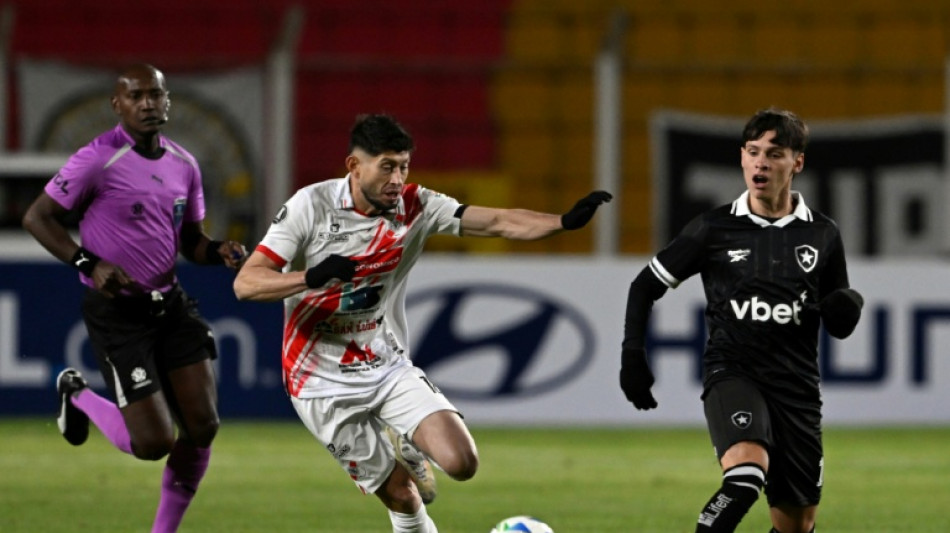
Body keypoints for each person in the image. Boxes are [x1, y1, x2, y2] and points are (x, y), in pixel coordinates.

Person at [233, 113, 611, 533]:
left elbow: (498, 221)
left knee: (462, 463)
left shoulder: (416, 205)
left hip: (385, 364)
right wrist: (309, 277)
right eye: (387, 167)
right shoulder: (312, 205)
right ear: (354, 167)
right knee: (403, 495)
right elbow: (247, 284)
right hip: (319, 379)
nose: (398, 179)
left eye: (404, 166)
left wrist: (561, 222)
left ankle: (409, 438)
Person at [22, 63, 247, 533]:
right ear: (117, 104)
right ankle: (77, 394)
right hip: (118, 313)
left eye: (155, 95)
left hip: (170, 305)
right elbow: (37, 218)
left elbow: (190, 240)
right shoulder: (95, 158)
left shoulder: (185, 164)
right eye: (136, 96)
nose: (147, 103)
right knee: (153, 442)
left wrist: (218, 250)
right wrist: (88, 263)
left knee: (203, 426)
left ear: (168, 101)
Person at [619, 108, 863, 533]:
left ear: (797, 163)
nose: (760, 163)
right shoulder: (713, 228)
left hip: (797, 388)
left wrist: (847, 310)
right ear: (742, 157)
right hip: (733, 372)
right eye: (753, 152)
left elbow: (837, 318)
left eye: (774, 153)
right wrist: (633, 356)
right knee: (745, 477)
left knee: (797, 525)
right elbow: (644, 286)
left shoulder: (823, 234)